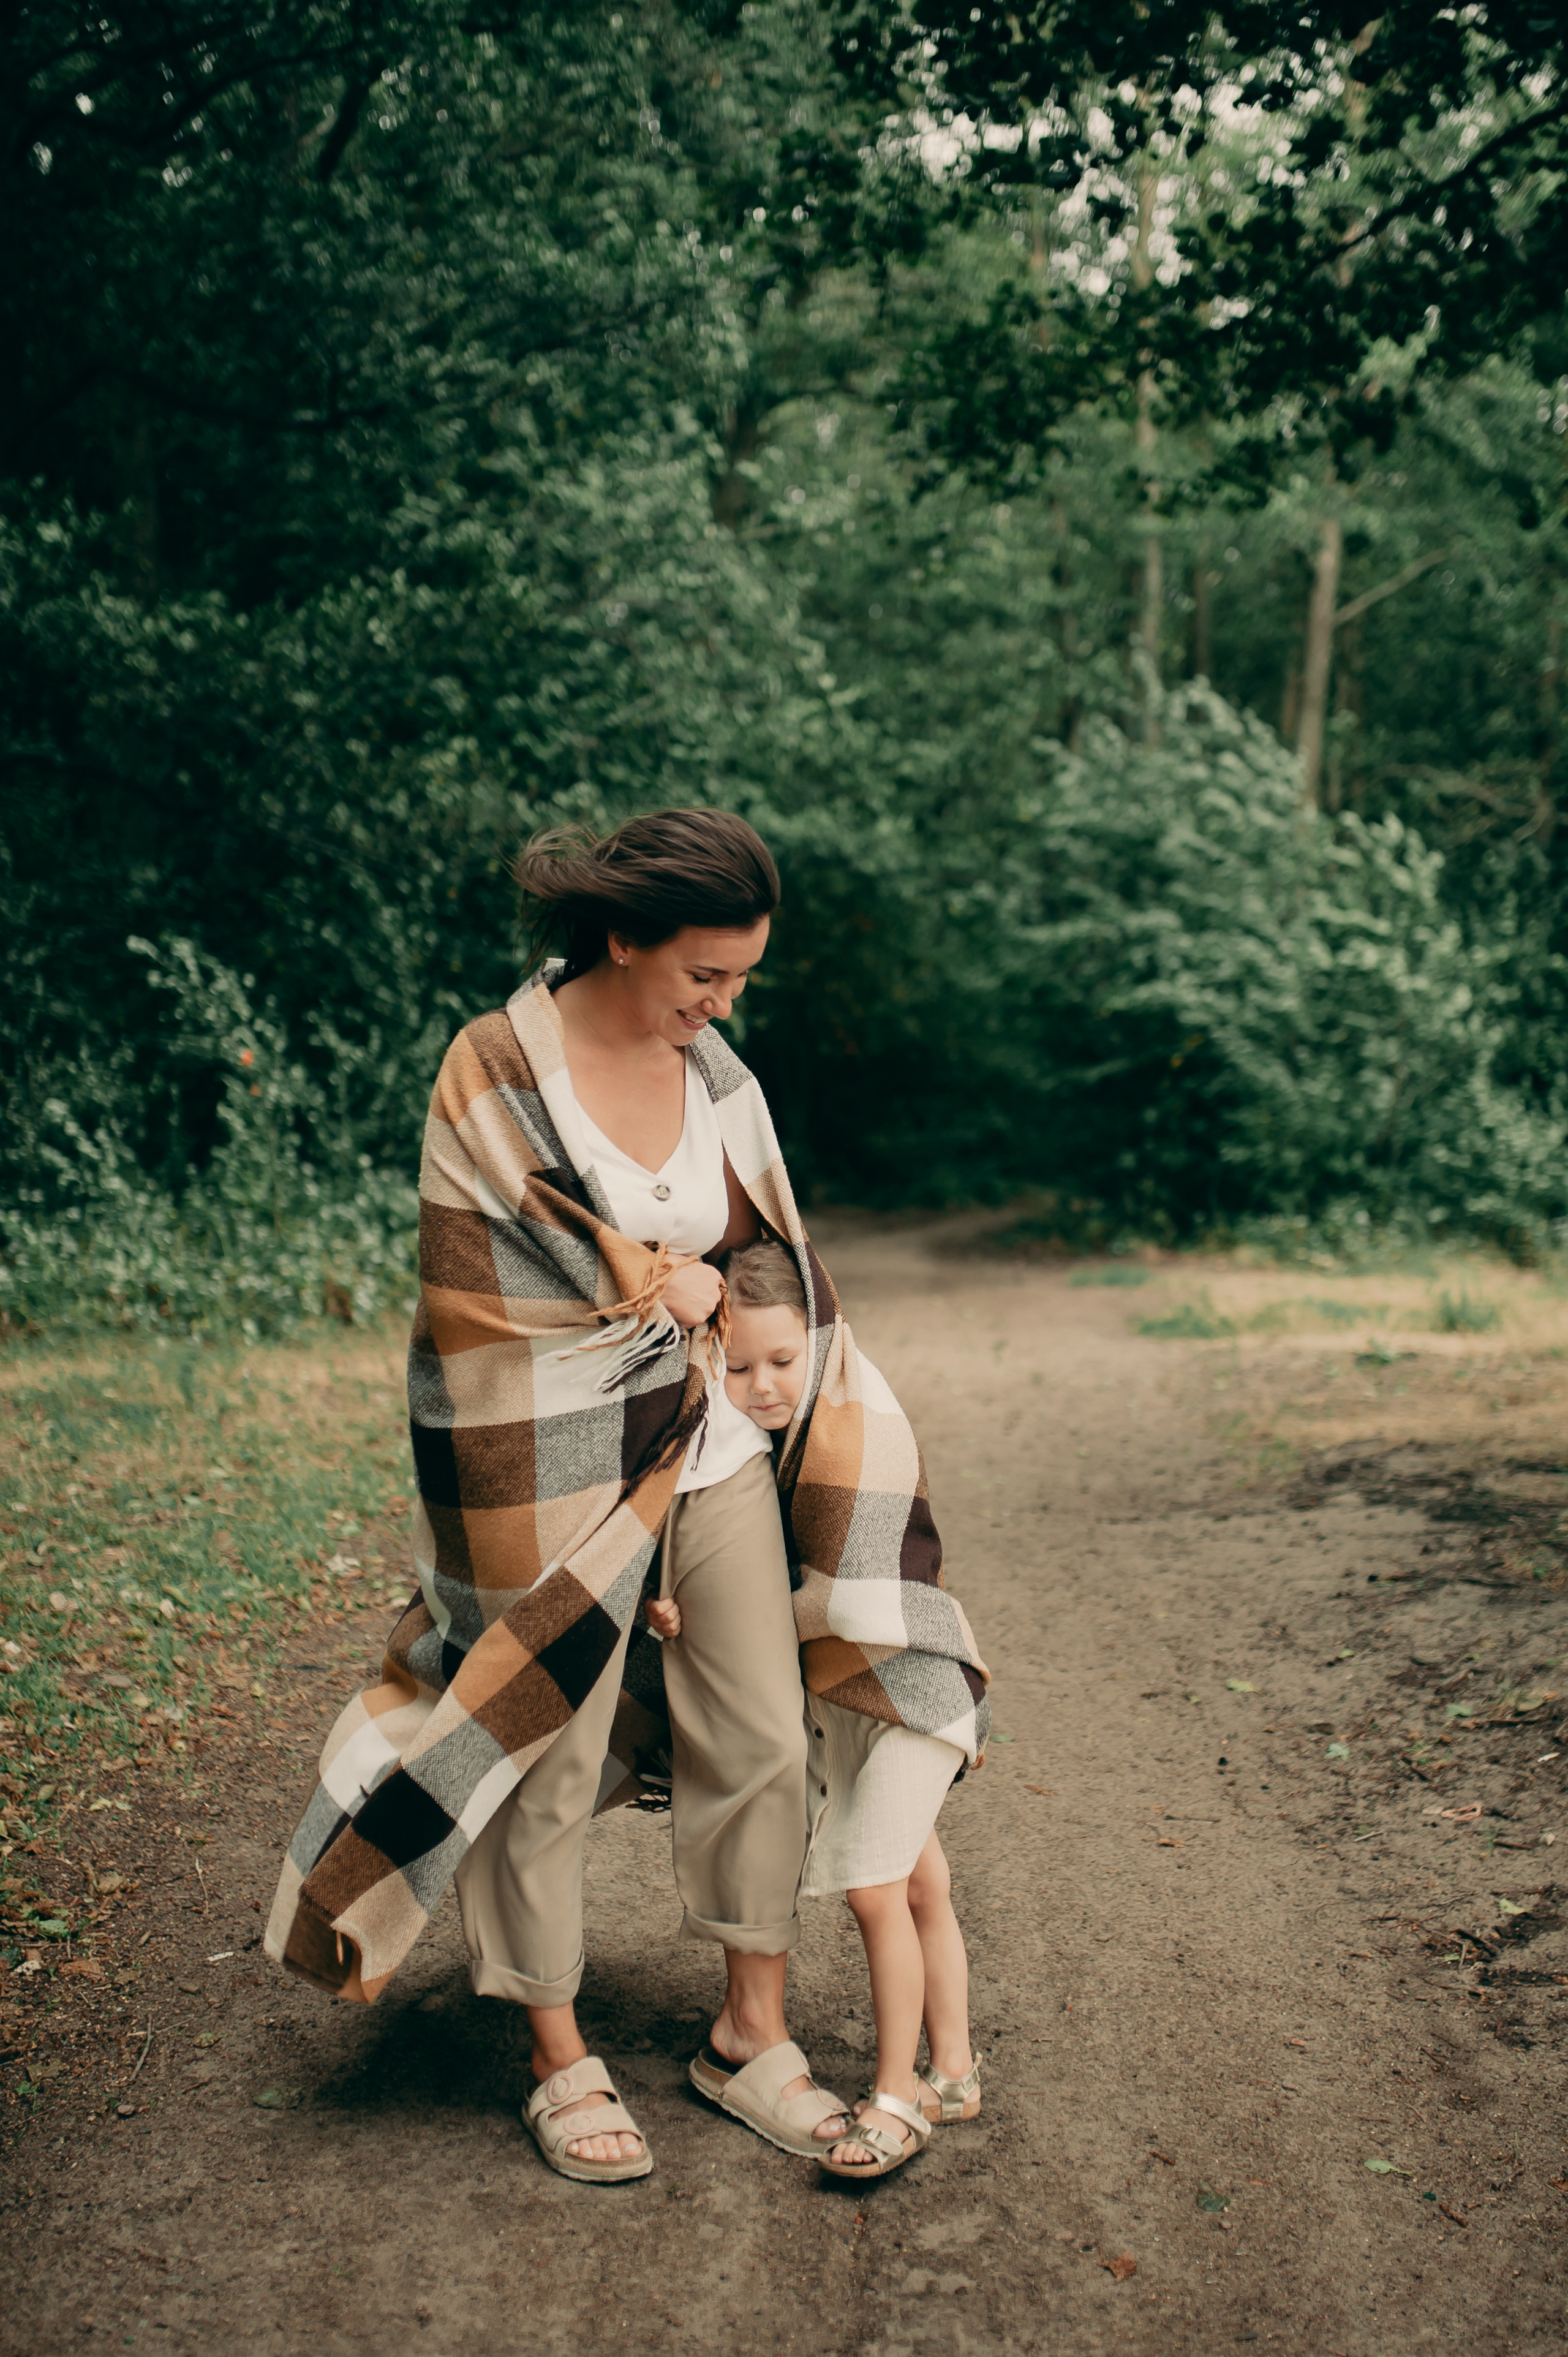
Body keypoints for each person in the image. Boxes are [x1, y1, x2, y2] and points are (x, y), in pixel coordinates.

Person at [266, 806, 988, 2192]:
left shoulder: (717, 1076)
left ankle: (748, 2032)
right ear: (620, 936)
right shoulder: (493, 1067)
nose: (720, 1005)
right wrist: (654, 1284)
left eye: (740, 980)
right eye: (702, 975)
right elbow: (479, 1287)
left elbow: (767, 1264)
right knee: (539, 1731)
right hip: (543, 1462)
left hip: (708, 1454)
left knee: (762, 1732)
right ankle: (554, 2047)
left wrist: (749, 1343)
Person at [646, 1240, 983, 2179]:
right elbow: (720, 1546)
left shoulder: (857, 1431)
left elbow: (846, 1585)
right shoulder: (753, 1444)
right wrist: (687, 1601)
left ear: (822, 1343)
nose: (761, 1386)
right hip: (858, 1701)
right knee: (921, 1885)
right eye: (738, 1365)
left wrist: (750, 1612)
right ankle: (953, 2070)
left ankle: (894, 2097)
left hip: (911, 1688)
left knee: (878, 1888)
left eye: (782, 1362)